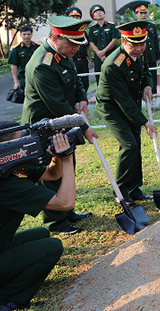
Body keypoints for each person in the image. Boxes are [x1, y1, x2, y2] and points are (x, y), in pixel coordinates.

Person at [0, 125, 75, 311]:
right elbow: (65, 203)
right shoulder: (6, 184)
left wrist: (56, 154)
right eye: (22, 139)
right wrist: (68, 158)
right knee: (52, 247)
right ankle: (4, 302)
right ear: (7, 150)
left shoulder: (8, 169)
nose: (27, 142)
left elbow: (53, 174)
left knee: (40, 234)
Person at [22, 16, 97, 235]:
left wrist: (82, 97)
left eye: (79, 43)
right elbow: (58, 105)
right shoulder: (42, 65)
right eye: (72, 43)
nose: (76, 48)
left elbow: (75, 80)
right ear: (55, 37)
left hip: (61, 122)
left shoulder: (63, 54)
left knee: (67, 163)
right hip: (44, 125)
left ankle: (67, 211)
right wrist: (84, 127)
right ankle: (56, 221)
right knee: (52, 172)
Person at [95, 20, 157, 206]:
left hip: (130, 104)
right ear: (123, 42)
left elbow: (145, 70)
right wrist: (145, 122)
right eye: (134, 44)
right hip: (112, 108)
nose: (139, 48)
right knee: (129, 144)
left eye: (142, 43)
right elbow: (123, 100)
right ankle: (120, 191)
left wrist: (148, 84)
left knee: (136, 144)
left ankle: (135, 188)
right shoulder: (114, 64)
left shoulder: (139, 54)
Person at [88, 4, 120, 86]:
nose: (99, 13)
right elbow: (91, 43)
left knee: (113, 77)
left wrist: (103, 52)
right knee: (100, 79)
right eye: (96, 12)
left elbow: (114, 40)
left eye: (101, 11)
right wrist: (99, 53)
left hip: (111, 55)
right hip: (98, 58)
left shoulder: (112, 26)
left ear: (104, 14)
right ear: (93, 16)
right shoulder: (92, 29)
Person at [135, 4, 160, 94]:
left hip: (151, 55)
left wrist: (158, 57)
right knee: (141, 74)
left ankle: (154, 92)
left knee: (153, 74)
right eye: (141, 13)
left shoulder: (151, 25)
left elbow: (155, 42)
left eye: (145, 13)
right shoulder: (135, 26)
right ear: (136, 14)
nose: (143, 15)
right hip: (140, 55)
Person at [66, 7, 92, 93]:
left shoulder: (83, 32)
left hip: (83, 61)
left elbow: (87, 47)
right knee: (71, 83)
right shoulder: (66, 32)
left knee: (85, 83)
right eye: (72, 17)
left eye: (77, 17)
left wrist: (90, 61)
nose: (75, 19)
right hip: (71, 61)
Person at [7, 26, 40, 91]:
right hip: (23, 78)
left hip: (37, 76)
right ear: (20, 35)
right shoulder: (16, 49)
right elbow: (14, 66)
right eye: (24, 34)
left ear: (32, 34)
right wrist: (16, 82)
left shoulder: (38, 47)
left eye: (28, 34)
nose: (26, 36)